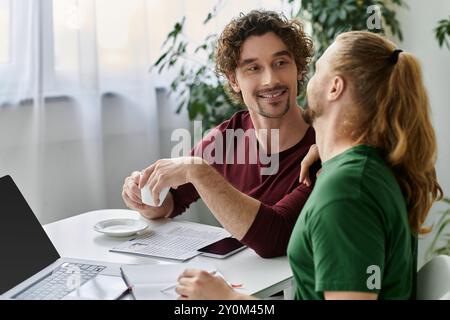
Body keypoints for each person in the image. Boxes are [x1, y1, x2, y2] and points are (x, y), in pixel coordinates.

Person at [175, 31, 443, 300]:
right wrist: (328, 153)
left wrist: (229, 301)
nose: (307, 83)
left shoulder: (346, 193)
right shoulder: (371, 165)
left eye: (317, 71)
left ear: (334, 87)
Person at [122, 10, 319, 258]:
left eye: (280, 63)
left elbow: (276, 238)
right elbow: (171, 201)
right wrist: (145, 196)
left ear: (299, 69)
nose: (270, 80)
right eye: (253, 68)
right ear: (233, 80)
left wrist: (198, 171)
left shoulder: (323, 147)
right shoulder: (228, 137)